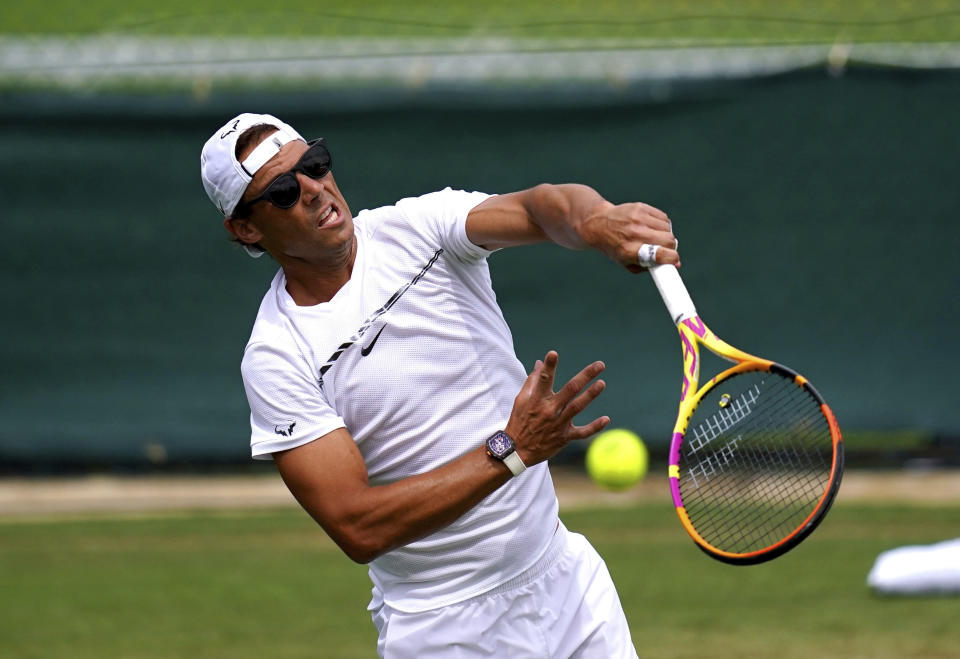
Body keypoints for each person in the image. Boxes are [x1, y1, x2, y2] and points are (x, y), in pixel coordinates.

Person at [200, 113, 680, 658]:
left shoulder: (419, 227)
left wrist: (597, 220)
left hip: (567, 584)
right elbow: (358, 525)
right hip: (445, 631)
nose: (313, 189)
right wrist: (512, 450)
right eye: (284, 191)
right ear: (245, 228)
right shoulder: (276, 357)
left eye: (315, 164)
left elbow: (539, 206)